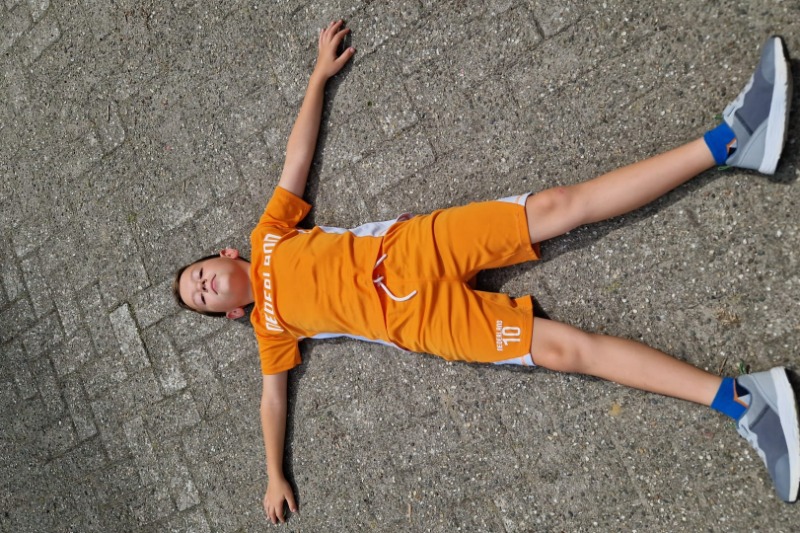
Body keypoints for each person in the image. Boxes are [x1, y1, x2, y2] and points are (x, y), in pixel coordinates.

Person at [172, 22, 798, 524]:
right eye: (201, 299)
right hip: (423, 323)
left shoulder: (270, 235)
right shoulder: (271, 329)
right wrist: (273, 474)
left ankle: (731, 141)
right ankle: (746, 402)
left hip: (417, 249)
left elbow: (297, 156)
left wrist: (317, 78)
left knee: (559, 207)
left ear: (225, 255)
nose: (203, 285)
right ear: (230, 311)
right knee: (566, 351)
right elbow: (272, 401)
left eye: (199, 273)